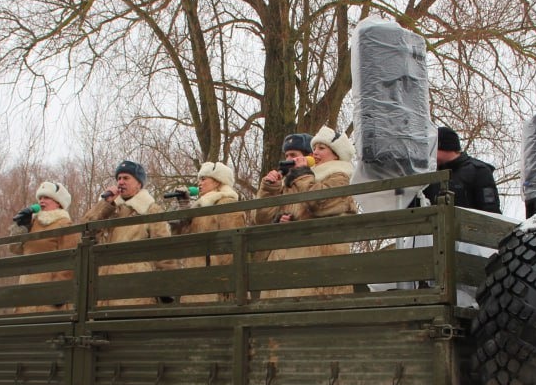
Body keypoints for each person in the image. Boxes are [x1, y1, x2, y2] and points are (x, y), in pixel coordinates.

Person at [256, 126, 357, 298]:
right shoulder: (299, 181)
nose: (315, 152)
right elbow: (260, 217)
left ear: (336, 154)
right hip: (289, 264)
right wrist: (270, 191)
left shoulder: (339, 177)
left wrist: (302, 175)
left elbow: (320, 204)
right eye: (314, 148)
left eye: (321, 148)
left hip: (321, 263)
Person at [81, 160, 168, 306]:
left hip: (135, 293)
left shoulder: (150, 210)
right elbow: (84, 230)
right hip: (104, 293)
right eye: (119, 178)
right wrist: (105, 205)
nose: (121, 182)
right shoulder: (110, 210)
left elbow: (164, 253)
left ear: (139, 184)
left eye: (126, 178)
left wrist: (165, 291)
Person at [169, 161, 243, 303]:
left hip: (217, 283)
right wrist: (183, 210)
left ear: (217, 181)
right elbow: (184, 242)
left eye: (203, 179)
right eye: (199, 180)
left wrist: (226, 284)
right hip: (197, 278)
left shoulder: (227, 204)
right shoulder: (201, 208)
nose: (199, 184)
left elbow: (231, 250)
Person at [8, 180, 79, 312]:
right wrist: (21, 227)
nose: (42, 201)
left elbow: (70, 264)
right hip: (26, 290)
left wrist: (57, 293)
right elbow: (15, 249)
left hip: (47, 296)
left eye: (47, 197)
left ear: (58, 202)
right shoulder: (32, 223)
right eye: (40, 197)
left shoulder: (65, 225)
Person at [423, 126, 501, 213]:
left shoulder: (479, 171)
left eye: (432, 149)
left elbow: (491, 212)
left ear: (444, 147)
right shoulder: (429, 175)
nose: (429, 154)